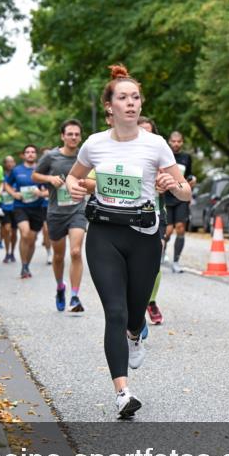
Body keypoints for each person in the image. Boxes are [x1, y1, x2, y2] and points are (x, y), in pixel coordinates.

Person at [65, 63, 190, 419]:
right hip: (104, 233)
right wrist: (74, 187)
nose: (131, 103)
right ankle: (122, 393)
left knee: (134, 313)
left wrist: (173, 186)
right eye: (123, 97)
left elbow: (185, 191)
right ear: (110, 107)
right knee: (115, 313)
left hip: (144, 236)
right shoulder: (94, 144)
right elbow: (73, 180)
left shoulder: (156, 145)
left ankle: (137, 333)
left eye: (135, 97)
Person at [34, 120, 88, 312]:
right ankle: (60, 287)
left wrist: (86, 182)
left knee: (75, 252)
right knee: (58, 256)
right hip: (56, 212)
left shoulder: (84, 156)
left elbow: (94, 176)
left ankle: (74, 296)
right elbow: (35, 175)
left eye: (77, 134)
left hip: (78, 210)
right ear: (62, 136)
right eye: (70, 134)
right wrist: (50, 178)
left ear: (80, 136)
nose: (73, 137)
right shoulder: (51, 157)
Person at [5, 145, 49, 279]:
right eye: (27, 152)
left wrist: (41, 194)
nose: (30, 154)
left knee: (32, 239)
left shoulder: (42, 170)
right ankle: (23, 265)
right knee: (24, 234)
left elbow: (51, 189)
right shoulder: (16, 170)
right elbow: (6, 184)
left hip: (37, 208)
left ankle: (27, 265)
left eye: (32, 152)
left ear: (36, 155)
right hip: (20, 206)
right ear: (23, 155)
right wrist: (14, 194)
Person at [140, 117, 166, 325]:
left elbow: (179, 183)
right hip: (128, 213)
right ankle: (136, 305)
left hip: (156, 210)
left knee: (156, 253)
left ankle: (151, 300)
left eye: (149, 132)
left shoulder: (161, 153)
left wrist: (167, 182)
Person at [161, 131, 196, 273]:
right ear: (169, 141)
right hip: (167, 197)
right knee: (168, 231)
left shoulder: (186, 157)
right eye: (173, 141)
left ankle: (176, 261)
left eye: (179, 141)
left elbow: (189, 175)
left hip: (181, 197)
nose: (176, 144)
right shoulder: (164, 155)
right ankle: (162, 251)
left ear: (182, 142)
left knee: (180, 227)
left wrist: (192, 180)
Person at [0, 155, 18, 263]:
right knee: (7, 229)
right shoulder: (1, 176)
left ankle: (12, 252)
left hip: (16, 207)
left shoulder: (18, 175)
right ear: (5, 164)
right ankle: (7, 252)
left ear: (14, 163)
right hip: (4, 207)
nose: (10, 164)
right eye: (8, 162)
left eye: (12, 161)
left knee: (14, 232)